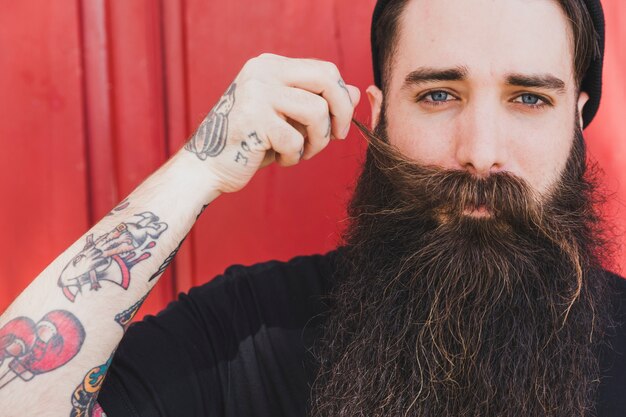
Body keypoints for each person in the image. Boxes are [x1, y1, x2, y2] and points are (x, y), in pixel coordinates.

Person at [0, 0, 624, 416]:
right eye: (438, 93)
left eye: (529, 99)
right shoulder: (251, 334)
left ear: (576, 119)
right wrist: (201, 167)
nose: (481, 152)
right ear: (378, 119)